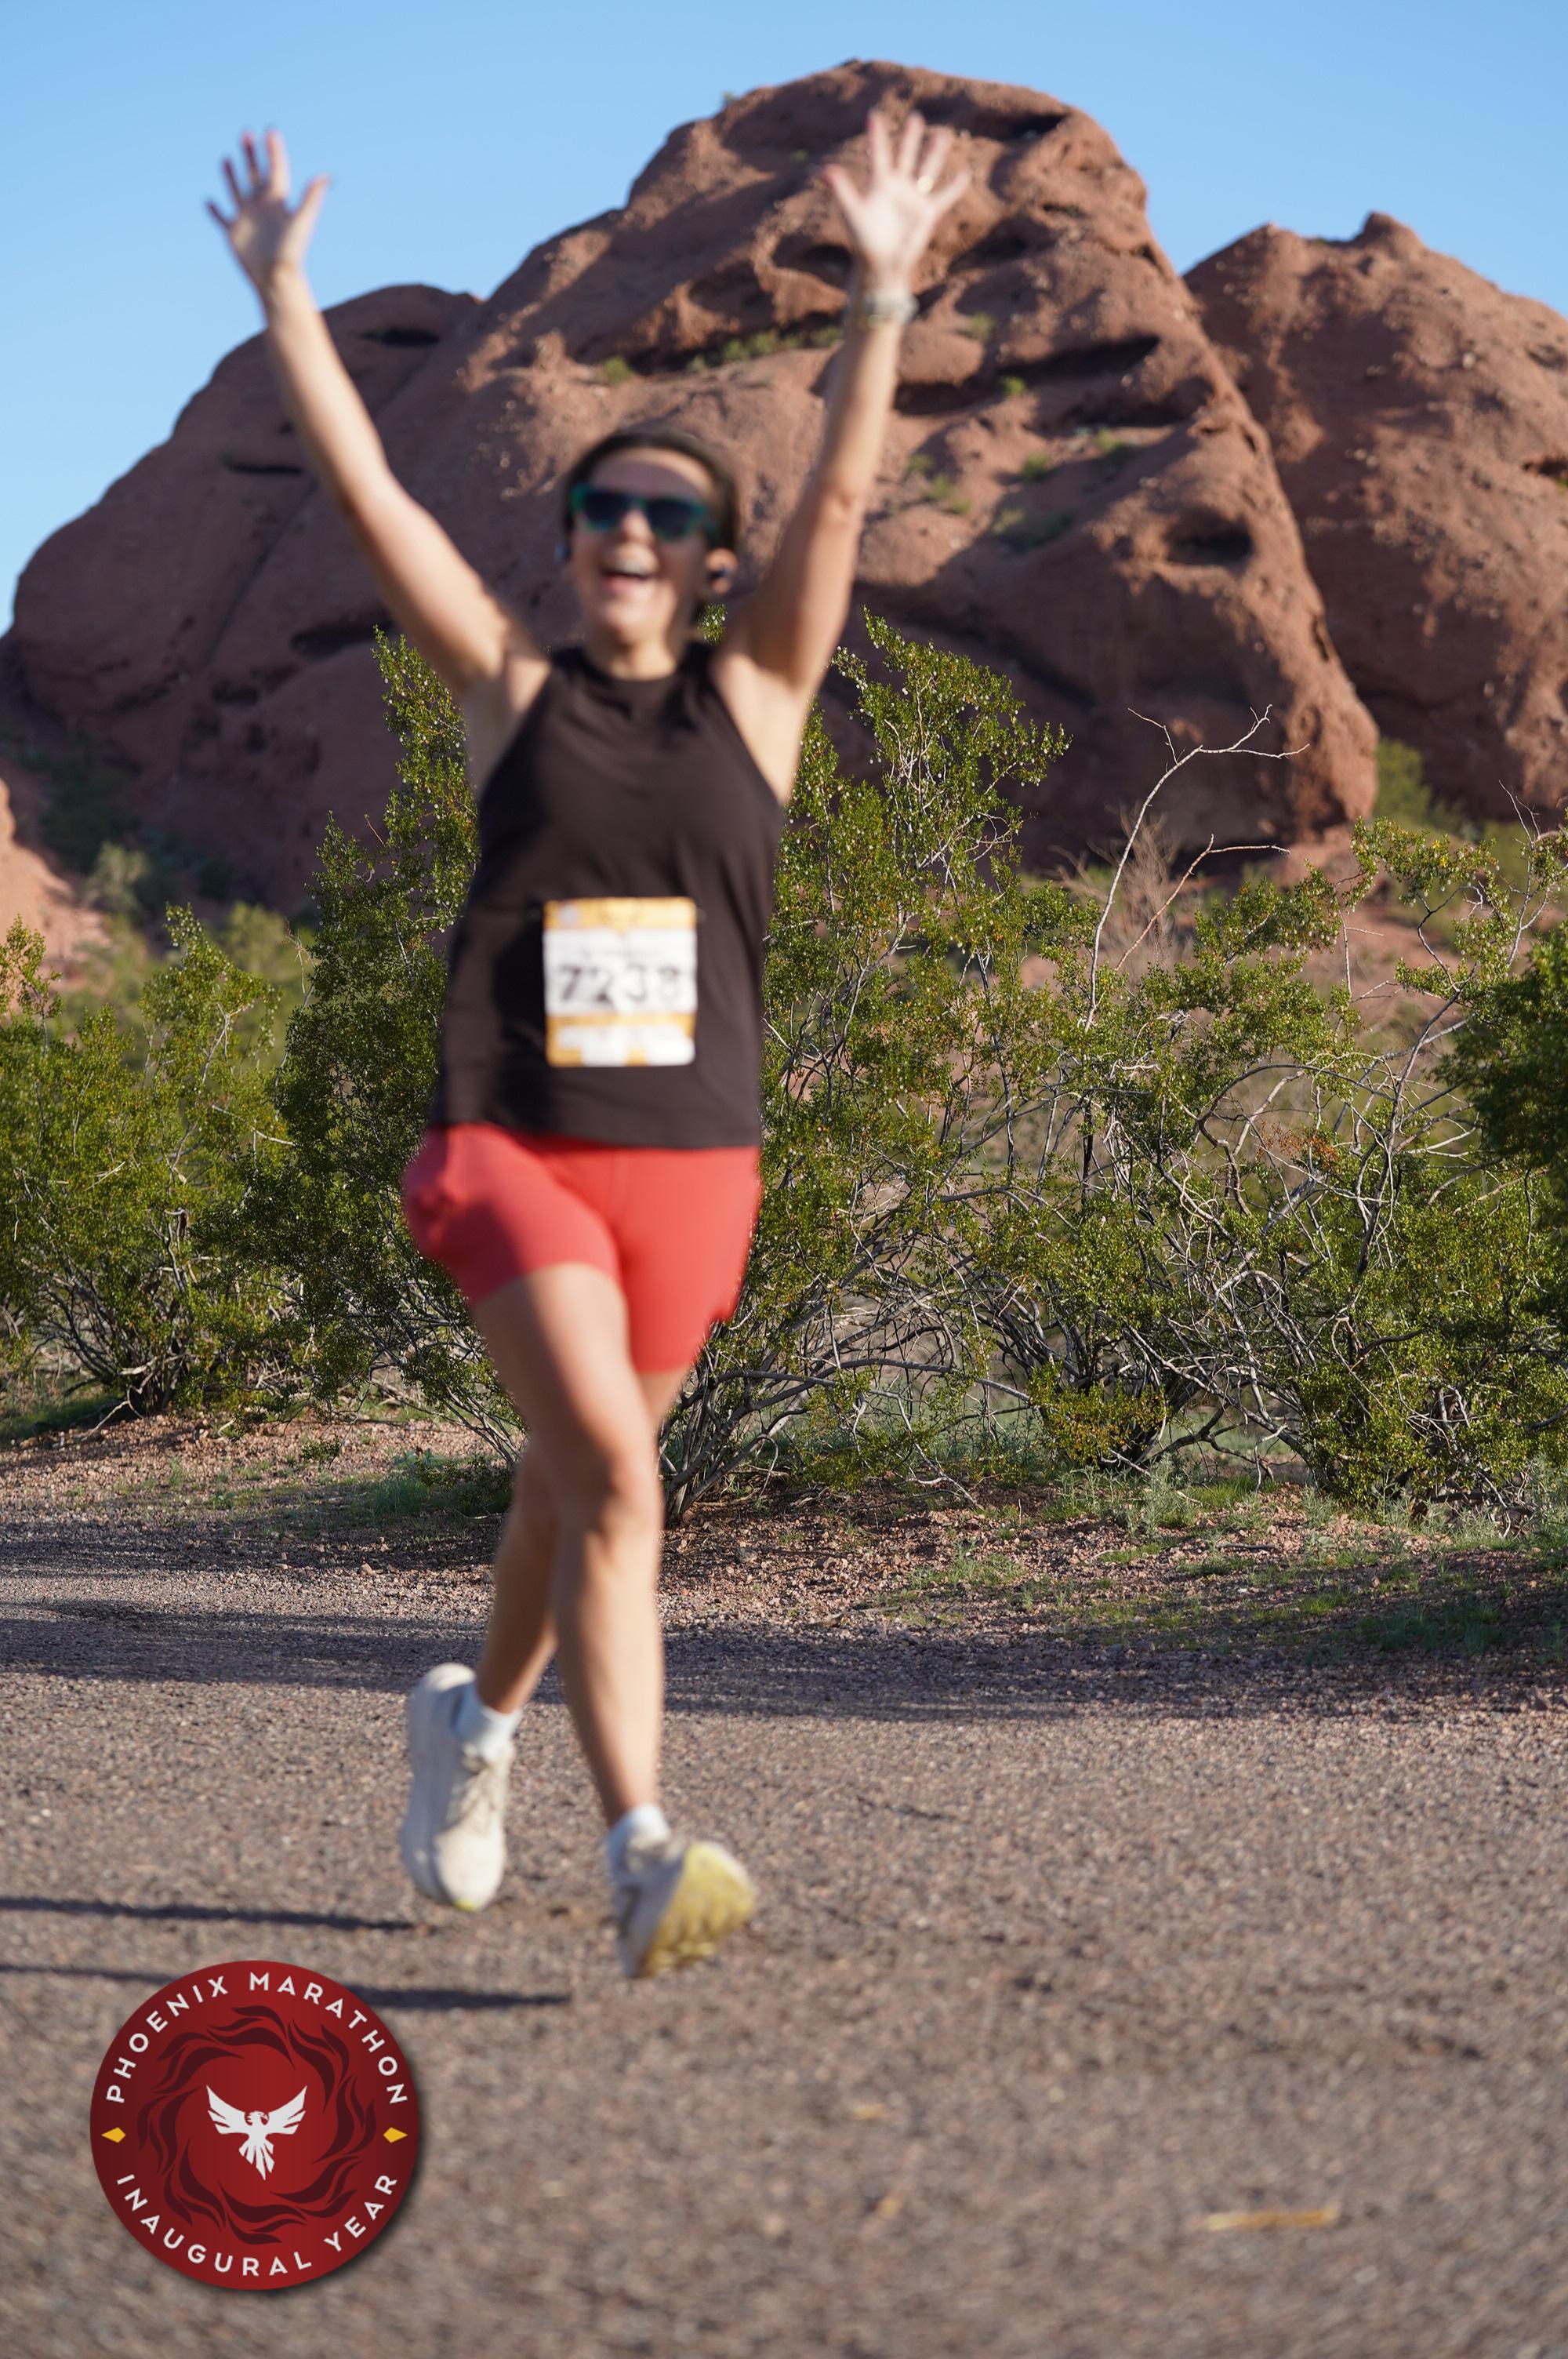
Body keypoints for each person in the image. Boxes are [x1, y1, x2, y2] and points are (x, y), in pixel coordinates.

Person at [209, 108, 969, 1977]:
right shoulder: (509, 693)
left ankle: (470, 1727)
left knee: (571, 1486)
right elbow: (376, 512)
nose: (632, 532)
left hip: (694, 1163)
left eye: (671, 518)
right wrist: (288, 297)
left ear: (710, 563)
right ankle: (642, 1846)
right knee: (625, 1483)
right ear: (565, 545)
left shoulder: (760, 700)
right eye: (603, 511)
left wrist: (880, 294)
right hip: (515, 1144)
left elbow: (842, 510)